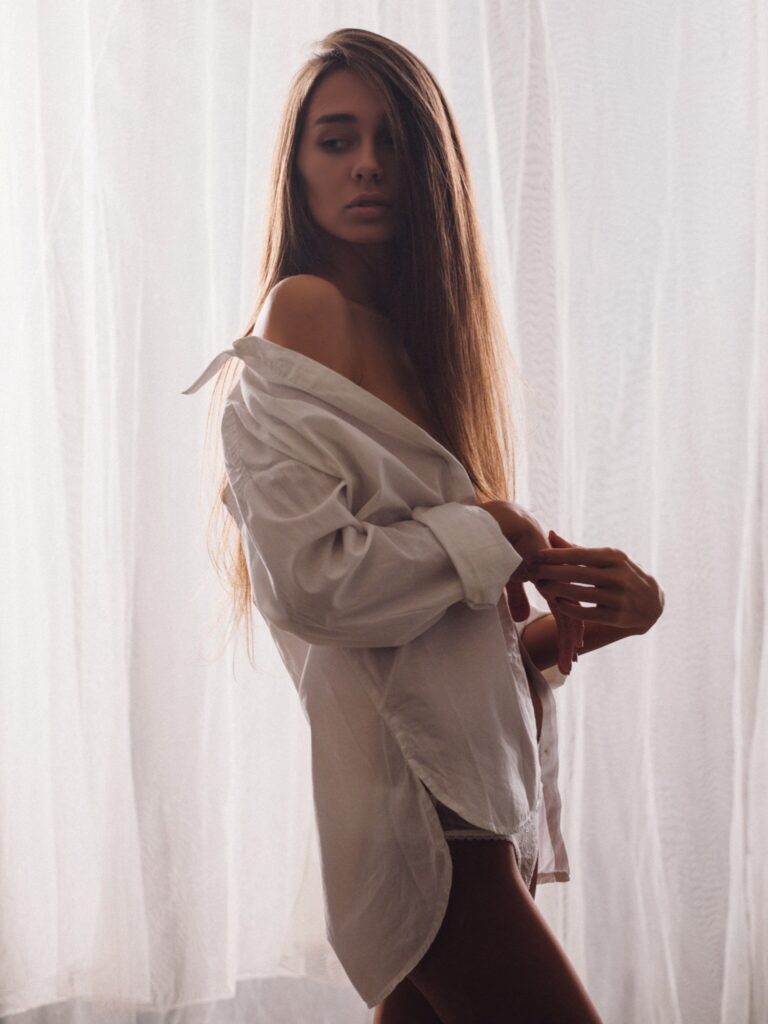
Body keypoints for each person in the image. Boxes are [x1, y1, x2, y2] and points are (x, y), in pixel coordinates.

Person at [183, 27, 664, 1023]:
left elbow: (424, 644)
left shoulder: (418, 348)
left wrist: (593, 620)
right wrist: (493, 531)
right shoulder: (302, 313)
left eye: (394, 141)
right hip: (429, 828)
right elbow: (315, 583)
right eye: (337, 139)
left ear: (432, 167)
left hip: (472, 813)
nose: (367, 164)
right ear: (297, 169)